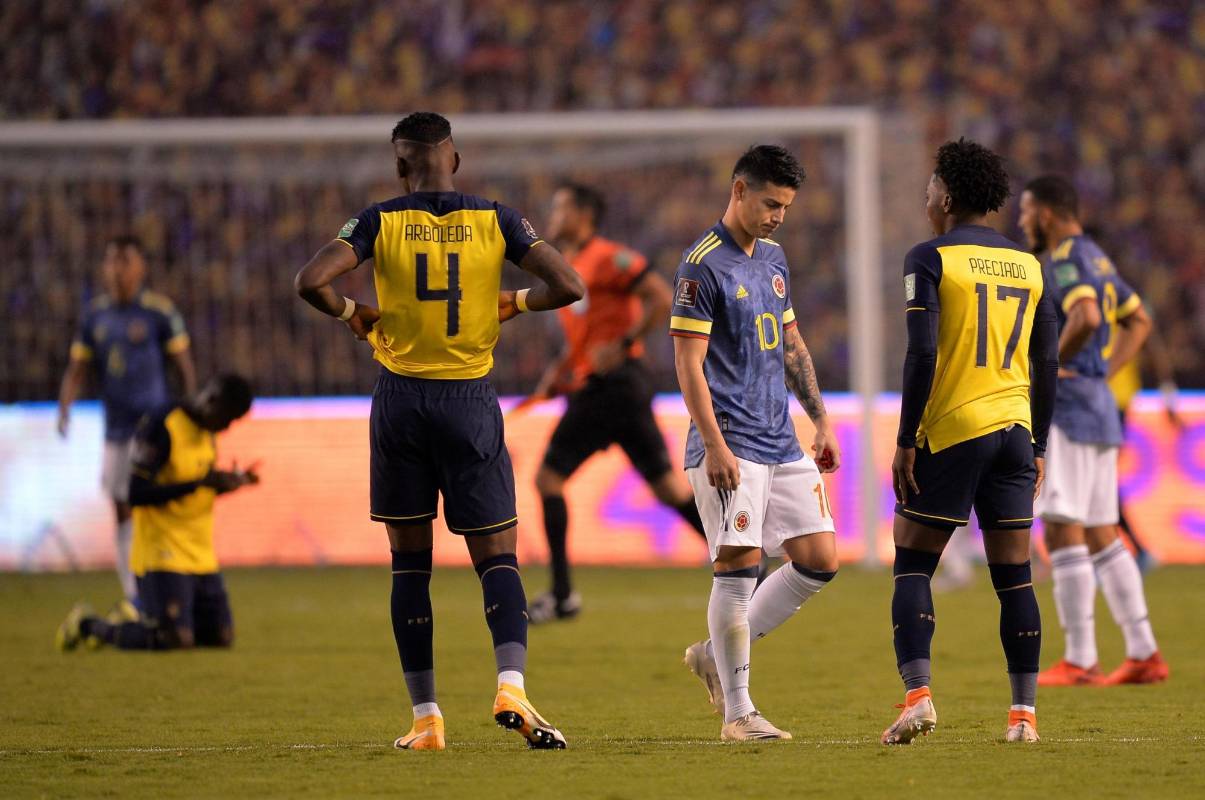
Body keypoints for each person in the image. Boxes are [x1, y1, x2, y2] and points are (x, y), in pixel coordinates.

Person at [294, 112, 584, 752]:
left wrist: (352, 312)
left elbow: (310, 281)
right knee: (496, 556)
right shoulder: (499, 218)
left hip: (401, 400)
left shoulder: (376, 220)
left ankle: (427, 720)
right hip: (469, 401)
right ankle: (511, 684)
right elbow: (568, 285)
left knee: (410, 566)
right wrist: (517, 302)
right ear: (455, 160)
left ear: (401, 166)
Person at [883, 139, 1058, 745]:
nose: (926, 195)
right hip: (1015, 430)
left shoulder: (930, 257)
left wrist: (907, 438)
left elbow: (923, 351)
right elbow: (1047, 360)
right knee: (1015, 577)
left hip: (953, 430)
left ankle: (919, 697)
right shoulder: (1032, 265)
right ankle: (1023, 718)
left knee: (912, 564)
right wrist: (1038, 446)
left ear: (949, 197)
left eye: (931, 186)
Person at [671, 145, 841, 742]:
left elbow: (790, 344)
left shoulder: (773, 258)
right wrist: (714, 446)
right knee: (738, 571)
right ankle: (737, 714)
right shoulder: (702, 266)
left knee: (819, 561)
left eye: (786, 207)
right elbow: (688, 366)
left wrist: (819, 419)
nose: (778, 216)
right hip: (732, 442)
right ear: (738, 190)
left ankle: (713, 657)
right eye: (770, 203)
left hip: (781, 438)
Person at [527, 181, 707, 623]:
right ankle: (745, 562)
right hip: (613, 387)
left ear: (584, 214)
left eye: (562, 206)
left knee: (548, 480)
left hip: (615, 385)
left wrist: (625, 342)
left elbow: (663, 297)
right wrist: (562, 368)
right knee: (667, 488)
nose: (554, 214)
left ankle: (563, 594)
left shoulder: (607, 257)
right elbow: (589, 336)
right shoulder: (570, 264)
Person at [1019, 175, 1168, 687]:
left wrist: (1055, 366)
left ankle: (1081, 658)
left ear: (1047, 213)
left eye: (1026, 211)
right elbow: (1139, 321)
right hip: (1099, 405)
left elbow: (1082, 315)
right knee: (1103, 531)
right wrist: (1103, 368)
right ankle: (1144, 650)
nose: (1022, 222)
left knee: (1062, 528)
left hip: (1071, 410)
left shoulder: (1063, 258)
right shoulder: (1099, 258)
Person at [56, 374, 257, 652]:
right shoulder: (162, 425)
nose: (226, 427)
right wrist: (199, 484)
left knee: (220, 637)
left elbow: (197, 482)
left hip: (200, 553)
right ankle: (89, 625)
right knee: (173, 639)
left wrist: (230, 482)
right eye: (227, 419)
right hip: (162, 551)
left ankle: (140, 617)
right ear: (211, 401)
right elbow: (135, 494)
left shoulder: (207, 433)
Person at [57, 235, 197, 607]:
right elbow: (77, 368)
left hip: (154, 428)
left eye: (125, 261)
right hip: (116, 429)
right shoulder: (94, 317)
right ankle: (134, 593)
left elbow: (183, 366)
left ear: (141, 268)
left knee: (158, 504)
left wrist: (192, 411)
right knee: (120, 507)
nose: (118, 269)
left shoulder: (159, 312)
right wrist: (64, 406)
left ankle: (171, 584)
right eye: (112, 261)